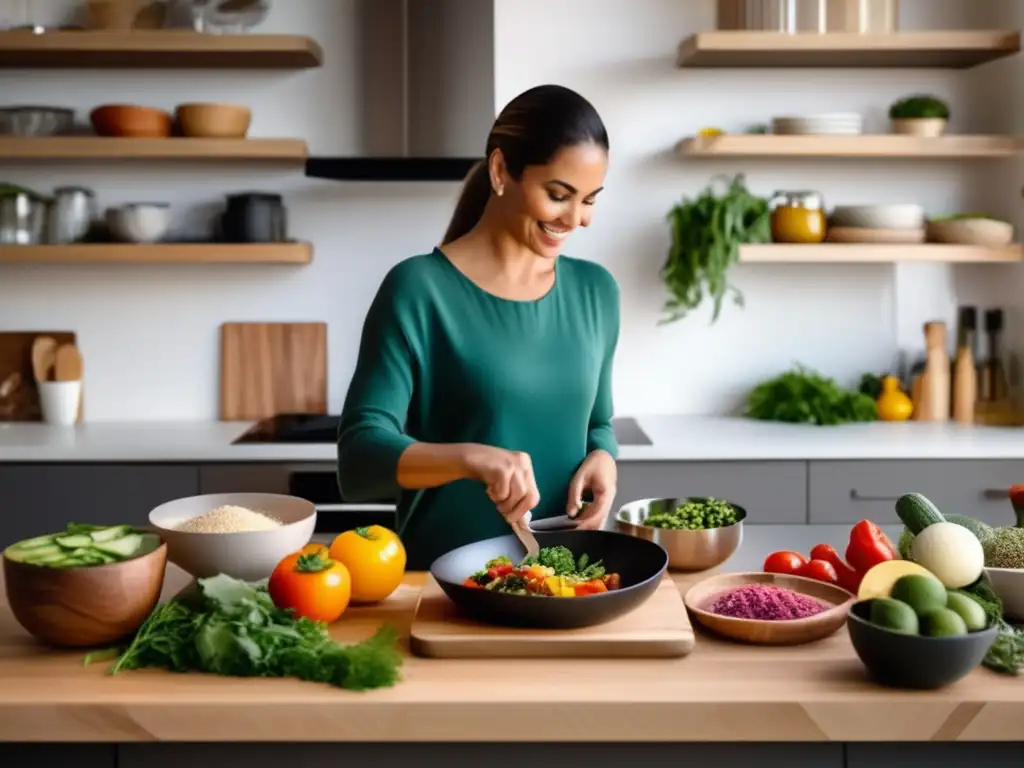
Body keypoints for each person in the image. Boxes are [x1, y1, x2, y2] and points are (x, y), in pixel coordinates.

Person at [337, 84, 620, 570]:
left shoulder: (596, 292)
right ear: (500, 171)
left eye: (590, 200)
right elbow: (360, 458)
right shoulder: (418, 290)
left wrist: (605, 458)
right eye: (558, 195)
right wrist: (470, 459)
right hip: (442, 589)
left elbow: (598, 423)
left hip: (566, 584)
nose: (577, 219)